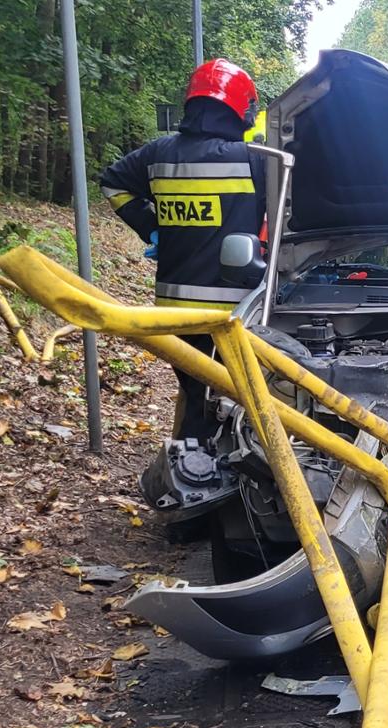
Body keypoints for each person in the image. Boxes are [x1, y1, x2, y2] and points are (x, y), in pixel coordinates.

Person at [98, 58, 269, 441]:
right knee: (234, 395)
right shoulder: (252, 160)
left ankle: (189, 457)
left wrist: (152, 227)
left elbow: (112, 183)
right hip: (234, 310)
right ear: (241, 109)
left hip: (173, 306)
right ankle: (208, 475)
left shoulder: (157, 154)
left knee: (196, 390)